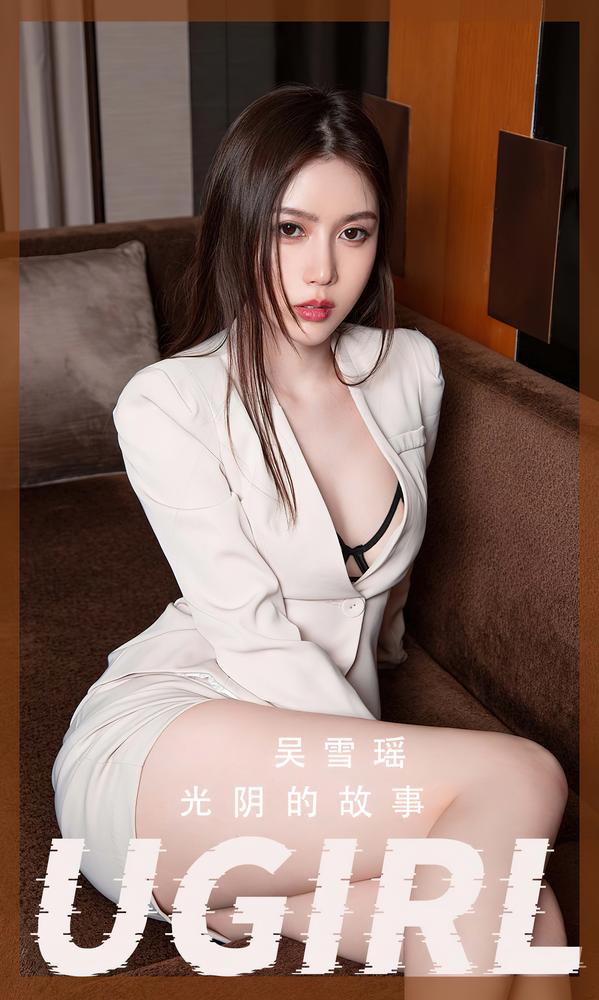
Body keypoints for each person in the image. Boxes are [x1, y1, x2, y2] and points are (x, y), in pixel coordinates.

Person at [52, 84, 571, 996]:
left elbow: (386, 589)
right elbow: (250, 634)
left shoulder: (407, 369)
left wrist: (388, 665)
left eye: (353, 233)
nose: (321, 271)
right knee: (520, 780)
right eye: (288, 230)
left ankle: (238, 904)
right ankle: (206, 887)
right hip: (172, 736)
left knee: (525, 914)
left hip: (309, 761)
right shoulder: (169, 402)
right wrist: (399, 780)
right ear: (236, 228)